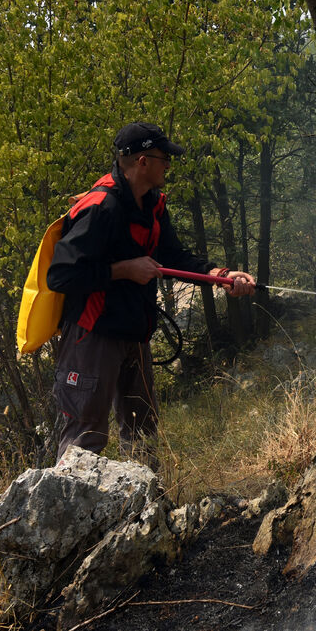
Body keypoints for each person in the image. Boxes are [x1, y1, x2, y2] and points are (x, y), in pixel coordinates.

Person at [47, 122, 254, 463]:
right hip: (91, 337)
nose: (168, 166)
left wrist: (221, 276)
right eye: (164, 158)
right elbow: (61, 275)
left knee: (142, 433)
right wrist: (124, 270)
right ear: (143, 161)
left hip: (135, 334)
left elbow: (174, 255)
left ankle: (145, 497)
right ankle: (69, 496)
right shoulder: (100, 208)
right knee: (84, 438)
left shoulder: (152, 206)